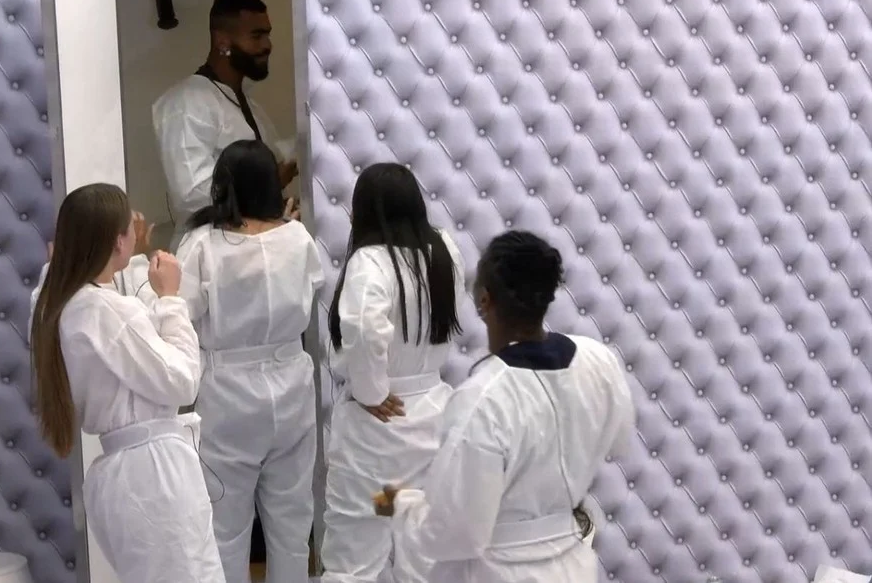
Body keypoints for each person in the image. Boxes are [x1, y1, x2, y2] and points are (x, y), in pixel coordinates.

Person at [372, 230, 636, 583]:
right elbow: (619, 442)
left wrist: (404, 506)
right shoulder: (599, 361)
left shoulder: (482, 397)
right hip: (573, 564)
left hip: (498, 571)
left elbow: (457, 533)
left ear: (484, 300)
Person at [28, 183, 225, 583]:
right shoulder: (105, 311)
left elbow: (84, 294)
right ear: (118, 240)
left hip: (123, 477)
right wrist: (170, 299)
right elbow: (183, 381)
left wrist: (126, 256)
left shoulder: (54, 304)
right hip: (154, 475)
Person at [175, 139, 323, 583]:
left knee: (225, 527)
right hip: (292, 381)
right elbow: (313, 287)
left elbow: (180, 313)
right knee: (293, 524)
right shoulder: (297, 237)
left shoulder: (201, 244)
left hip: (227, 391)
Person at [321, 163, 465, 583]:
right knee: (420, 547)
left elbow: (365, 329)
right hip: (431, 418)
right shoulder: (444, 251)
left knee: (357, 549)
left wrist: (371, 393)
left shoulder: (370, 262)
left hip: (377, 433)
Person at [153, 0, 298, 250]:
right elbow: (190, 194)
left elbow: (274, 160)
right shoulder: (186, 103)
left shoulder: (247, 104)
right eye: (257, 36)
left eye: (267, 34)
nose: (267, 45)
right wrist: (268, 183)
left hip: (251, 251)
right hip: (207, 257)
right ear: (222, 41)